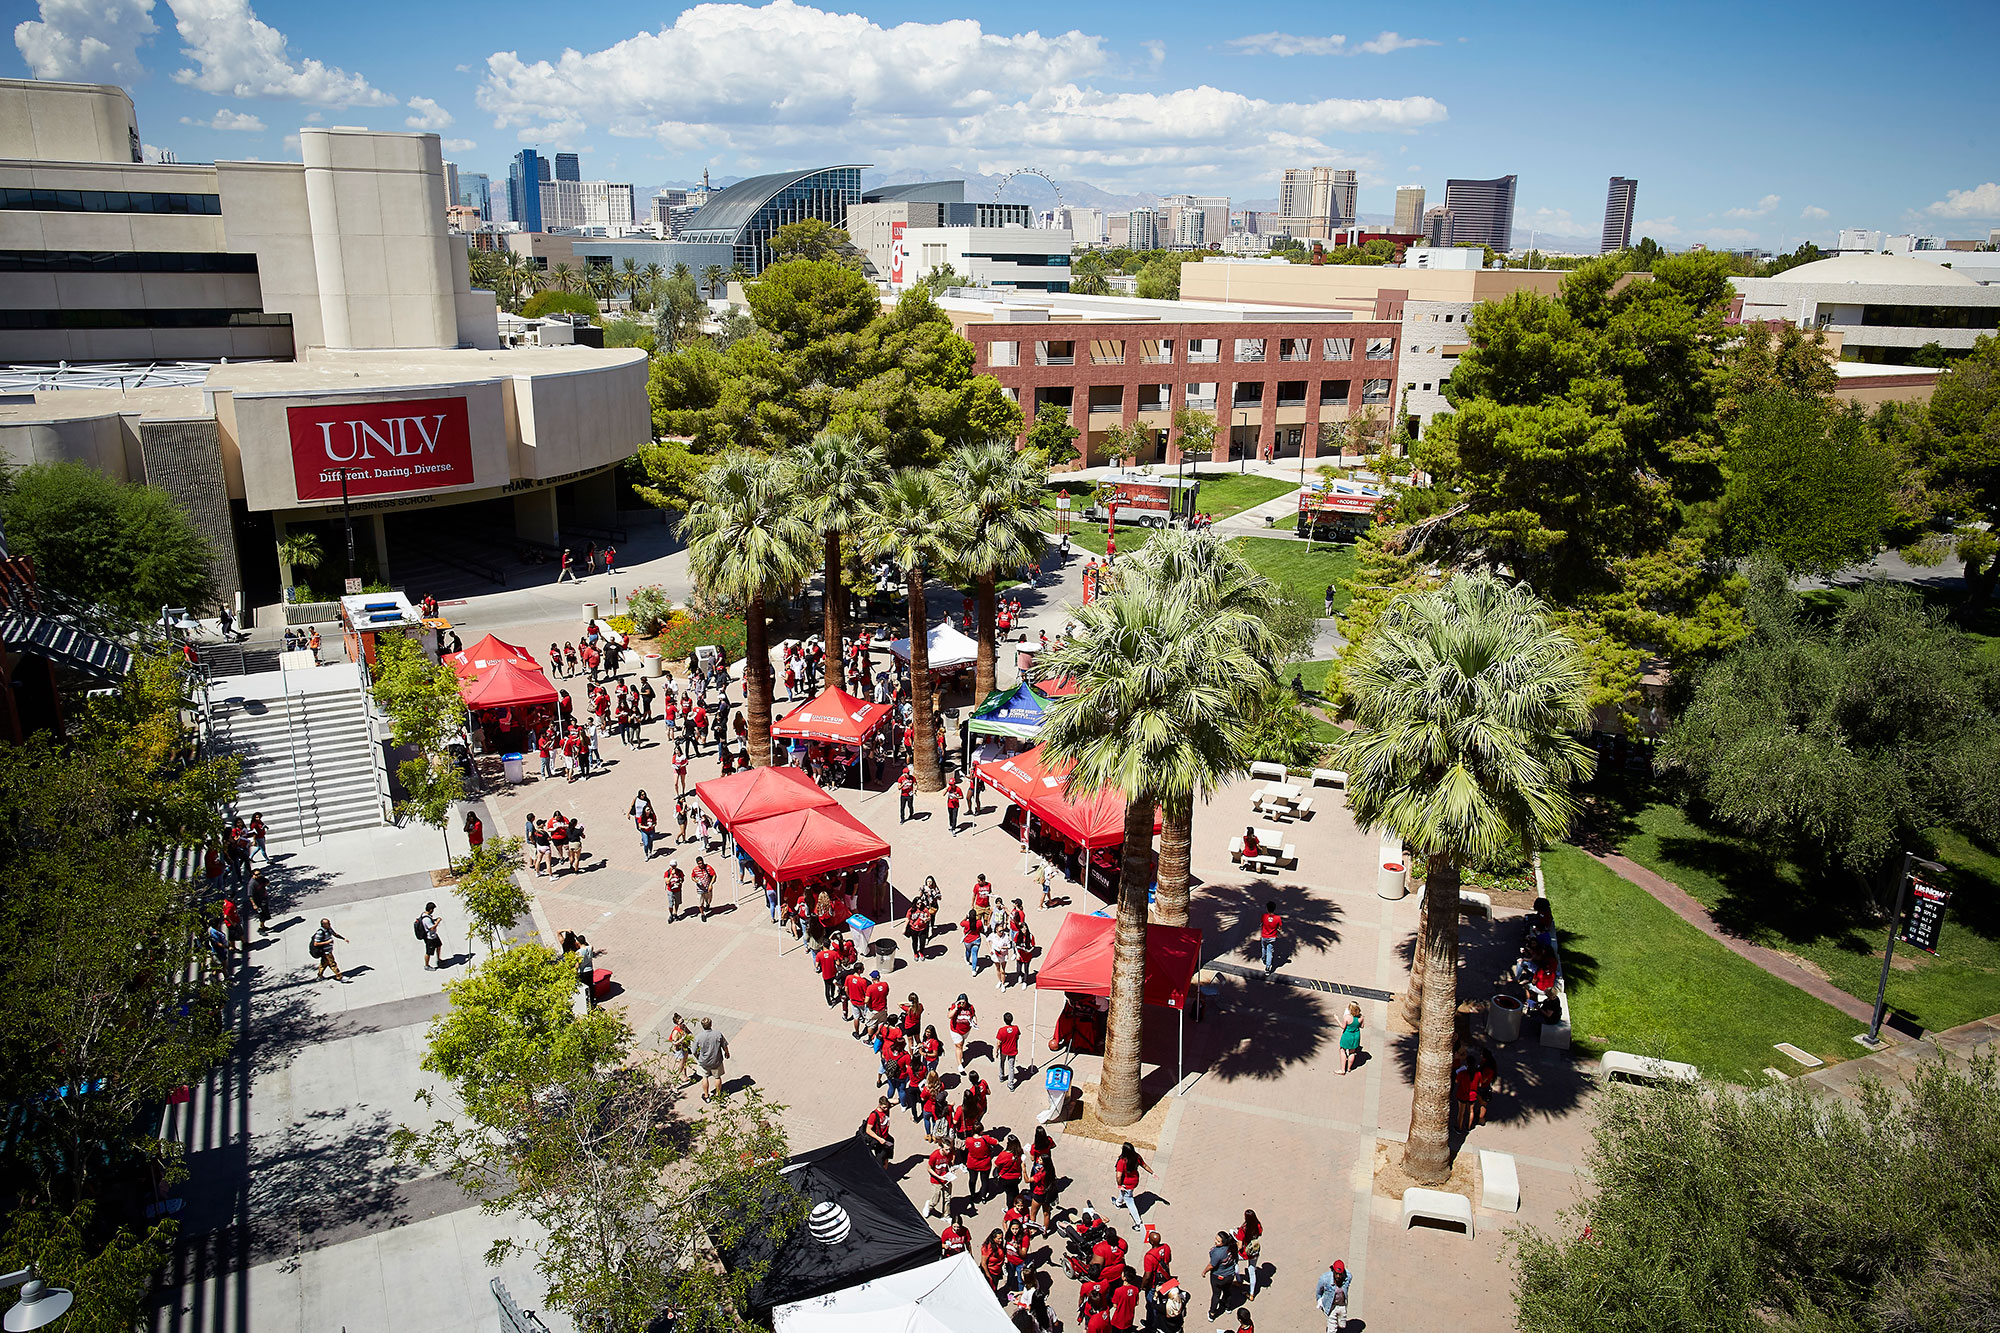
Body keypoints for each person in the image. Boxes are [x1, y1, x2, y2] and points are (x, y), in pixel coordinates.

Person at [1113, 1143, 1152, 1231]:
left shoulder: (1122, 1161)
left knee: (1130, 1202)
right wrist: (1152, 1173)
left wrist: (1119, 1185)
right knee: (1125, 1194)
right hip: (1135, 1181)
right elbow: (1144, 1165)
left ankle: (1138, 1223)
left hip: (1126, 1184)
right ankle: (1118, 1203)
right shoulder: (1136, 1157)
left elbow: (1119, 1176)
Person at [1202, 1233, 1239, 1321]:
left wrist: (1204, 1272)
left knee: (1216, 1295)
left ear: (1223, 1242)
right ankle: (1228, 1307)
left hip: (1218, 1277)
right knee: (1227, 1291)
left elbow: (1211, 1265)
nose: (1215, 1241)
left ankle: (1212, 1313)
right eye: (1216, 1239)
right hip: (1229, 1276)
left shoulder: (1218, 1253)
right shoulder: (1232, 1248)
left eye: (1218, 1241)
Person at [692, 1017, 729, 1101]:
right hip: (716, 1060)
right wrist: (727, 1053)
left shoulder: (698, 1037)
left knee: (704, 1077)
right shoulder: (718, 1034)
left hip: (704, 1062)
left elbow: (693, 1050)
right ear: (711, 1024)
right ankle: (718, 1094)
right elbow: (724, 1045)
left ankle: (706, 1095)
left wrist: (698, 1057)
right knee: (717, 1077)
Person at [1315, 1260, 1351, 1332]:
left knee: (1342, 1325)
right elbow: (1319, 1291)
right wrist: (1319, 1301)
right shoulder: (1324, 1279)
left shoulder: (1348, 1277)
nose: (1338, 1276)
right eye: (1336, 1273)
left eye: (1340, 1274)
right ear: (1333, 1271)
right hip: (1331, 1306)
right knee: (1332, 1329)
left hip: (1342, 1305)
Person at [1236, 1210, 1263, 1302]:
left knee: (1234, 1261)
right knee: (1252, 1271)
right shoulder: (1258, 1225)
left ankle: (1239, 1280)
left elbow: (1239, 1246)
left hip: (1244, 1253)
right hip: (1254, 1251)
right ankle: (1251, 1294)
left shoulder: (1243, 1229)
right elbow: (1259, 1234)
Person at [309, 917, 348, 982]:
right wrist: (327, 942)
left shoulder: (329, 929)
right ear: (323, 924)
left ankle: (319, 976)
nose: (330, 924)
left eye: (329, 923)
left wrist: (343, 939)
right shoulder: (320, 932)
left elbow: (335, 934)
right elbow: (316, 944)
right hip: (325, 952)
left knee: (323, 964)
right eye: (328, 923)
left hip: (328, 951)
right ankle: (340, 977)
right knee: (332, 964)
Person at [926, 1137, 956, 1217]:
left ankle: (946, 1215)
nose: (948, 1151)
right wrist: (939, 1177)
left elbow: (949, 1164)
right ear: (941, 1148)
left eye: (949, 1149)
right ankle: (929, 1206)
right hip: (936, 1181)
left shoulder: (949, 1154)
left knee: (947, 1198)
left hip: (946, 1179)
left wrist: (951, 1169)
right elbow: (929, 1168)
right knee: (935, 1199)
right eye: (946, 1149)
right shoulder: (934, 1155)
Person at [862, 1096, 895, 1164]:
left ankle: (886, 1171)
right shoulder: (874, 1115)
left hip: (886, 1138)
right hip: (879, 1140)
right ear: (879, 1105)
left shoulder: (886, 1108)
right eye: (884, 1107)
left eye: (887, 1107)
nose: (886, 1109)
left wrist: (888, 1101)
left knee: (886, 1157)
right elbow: (868, 1130)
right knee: (879, 1161)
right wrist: (879, 1139)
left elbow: (897, 1101)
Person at [948, 993, 976, 1069]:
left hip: (966, 1030)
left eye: (963, 1002)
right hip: (955, 1030)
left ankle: (960, 1054)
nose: (962, 1004)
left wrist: (974, 1022)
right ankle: (960, 1065)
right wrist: (956, 1008)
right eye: (960, 1002)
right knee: (959, 1045)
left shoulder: (970, 1007)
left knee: (962, 1043)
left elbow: (973, 1015)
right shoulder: (955, 1006)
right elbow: (949, 1016)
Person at [996, 1012, 1022, 1090]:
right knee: (1011, 1067)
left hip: (1004, 1050)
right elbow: (1017, 1037)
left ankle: (1001, 1076)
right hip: (1012, 1050)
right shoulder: (1016, 1028)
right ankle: (1011, 1084)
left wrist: (996, 1051)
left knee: (1002, 1062)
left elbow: (998, 1043)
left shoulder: (1001, 1030)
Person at [1338, 1001, 1364, 1075]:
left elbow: (1343, 1027)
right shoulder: (1361, 1017)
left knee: (1342, 1050)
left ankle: (1343, 1070)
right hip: (1356, 1036)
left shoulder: (1347, 1017)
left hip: (1347, 1035)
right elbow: (1362, 1026)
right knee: (1352, 1052)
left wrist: (1337, 1020)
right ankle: (1349, 1068)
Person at [418, 900, 444, 970]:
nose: (433, 911)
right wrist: (437, 922)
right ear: (430, 909)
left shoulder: (425, 915)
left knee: (439, 945)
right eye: (433, 909)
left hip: (434, 936)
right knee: (428, 952)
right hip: (430, 938)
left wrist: (435, 920)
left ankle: (439, 959)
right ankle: (426, 965)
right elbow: (432, 928)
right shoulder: (426, 919)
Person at [1259, 901, 1282, 977]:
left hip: (1264, 936)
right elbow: (1279, 928)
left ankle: (1263, 959)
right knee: (1269, 951)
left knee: (1263, 948)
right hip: (1272, 937)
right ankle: (1268, 967)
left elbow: (1261, 924)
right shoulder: (1278, 918)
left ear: (1267, 908)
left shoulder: (1264, 916)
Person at [246, 869, 271, 934]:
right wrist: (254, 904)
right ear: (253, 875)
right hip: (258, 901)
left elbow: (267, 882)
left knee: (266, 914)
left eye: (259, 874)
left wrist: (266, 882)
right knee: (261, 915)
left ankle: (263, 926)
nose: (258, 875)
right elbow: (250, 896)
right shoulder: (252, 884)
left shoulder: (261, 878)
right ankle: (261, 929)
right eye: (257, 874)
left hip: (264, 898)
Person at [692, 856, 716, 921]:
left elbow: (714, 875)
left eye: (701, 863)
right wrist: (696, 881)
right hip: (700, 889)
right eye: (699, 863)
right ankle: (702, 914)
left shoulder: (708, 867)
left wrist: (711, 884)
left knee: (709, 899)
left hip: (708, 887)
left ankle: (708, 904)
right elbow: (692, 877)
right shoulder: (695, 870)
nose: (701, 864)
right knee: (700, 903)